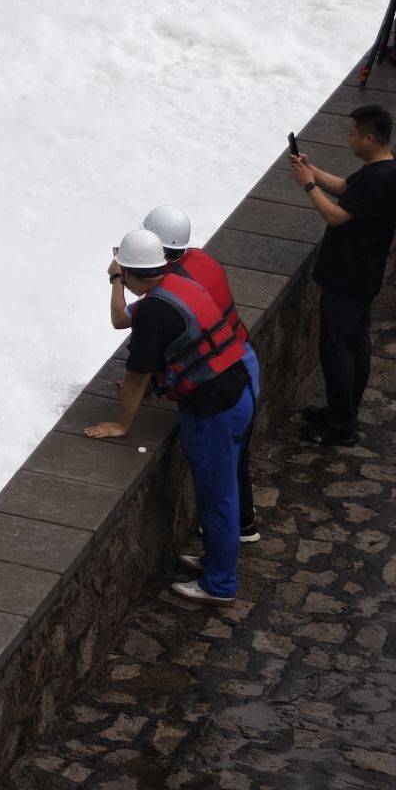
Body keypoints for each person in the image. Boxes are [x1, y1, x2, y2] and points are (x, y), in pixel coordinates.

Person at [83, 224, 258, 600]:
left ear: (128, 273)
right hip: (235, 387)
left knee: (218, 497)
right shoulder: (181, 284)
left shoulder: (154, 310)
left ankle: (220, 584)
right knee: (217, 493)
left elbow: (135, 379)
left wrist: (121, 424)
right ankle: (214, 562)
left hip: (216, 408)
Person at [138, 207, 260, 543]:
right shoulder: (201, 261)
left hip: (219, 380)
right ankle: (245, 524)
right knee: (236, 459)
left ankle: (220, 571)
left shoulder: (172, 285)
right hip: (243, 359)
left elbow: (157, 327)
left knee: (217, 480)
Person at [284, 104, 396, 449]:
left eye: (352, 133)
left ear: (368, 138)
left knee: (337, 348)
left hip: (347, 276)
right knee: (355, 343)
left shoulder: (378, 178)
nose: (348, 138)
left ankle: (341, 426)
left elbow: (336, 216)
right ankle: (343, 409)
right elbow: (345, 188)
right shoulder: (388, 169)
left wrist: (308, 187)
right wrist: (312, 170)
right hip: (364, 273)